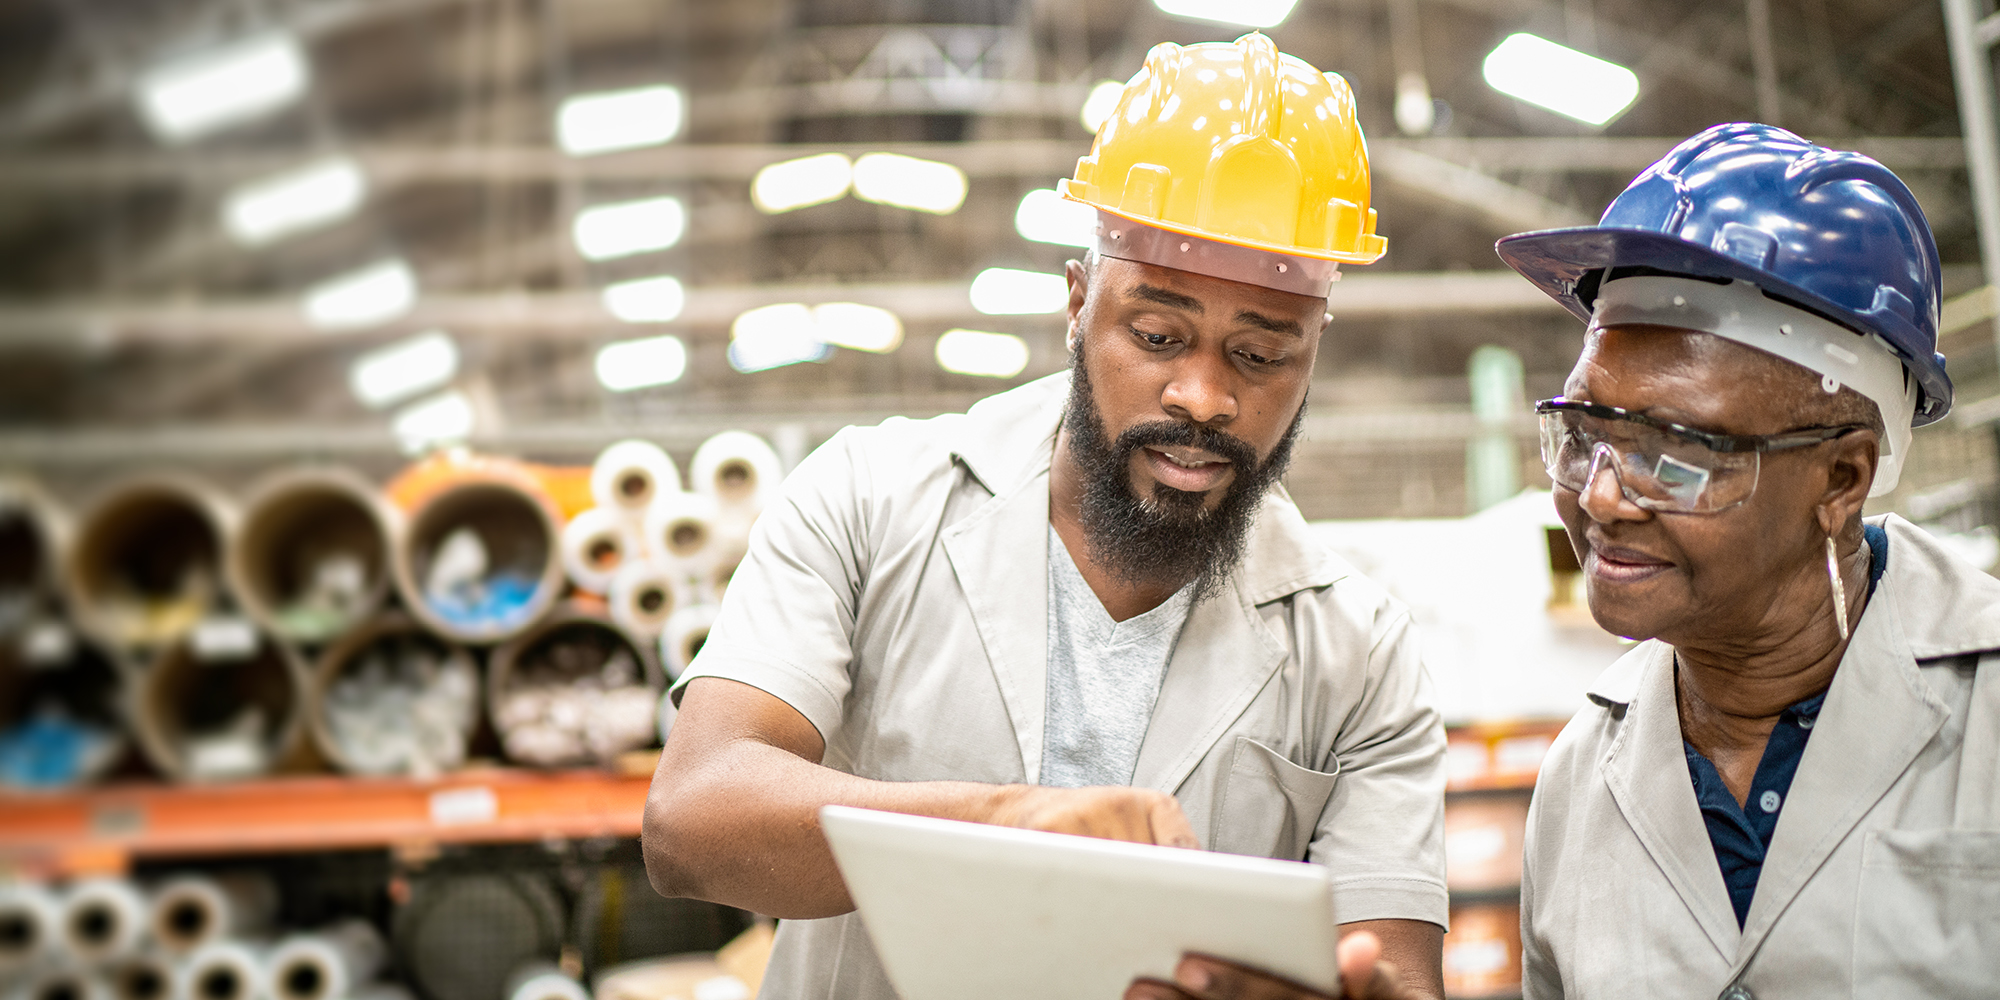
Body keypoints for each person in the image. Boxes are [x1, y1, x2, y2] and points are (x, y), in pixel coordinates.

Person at [641, 33, 1447, 1000]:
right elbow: (692, 819)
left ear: (1313, 354)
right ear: (1076, 303)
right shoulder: (868, 498)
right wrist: (1010, 830)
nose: (1202, 395)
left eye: (1261, 356)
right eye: (1156, 336)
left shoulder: (1357, 651)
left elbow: (1391, 968)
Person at [1126, 123, 2000, 1000]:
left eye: (1677, 452)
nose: (1604, 496)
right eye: (1584, 436)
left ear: (1841, 477)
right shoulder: (1582, 779)